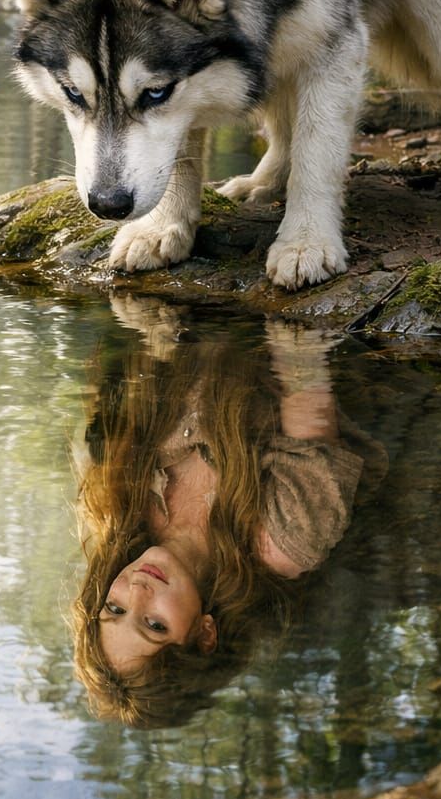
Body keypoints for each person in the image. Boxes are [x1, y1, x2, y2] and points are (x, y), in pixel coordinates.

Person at [71, 300, 387, 728]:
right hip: (288, 314)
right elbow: (302, 367)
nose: (138, 592)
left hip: (192, 306)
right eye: (155, 624)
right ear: (205, 634)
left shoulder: (119, 502)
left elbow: (134, 360)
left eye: (114, 607)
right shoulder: (281, 543)